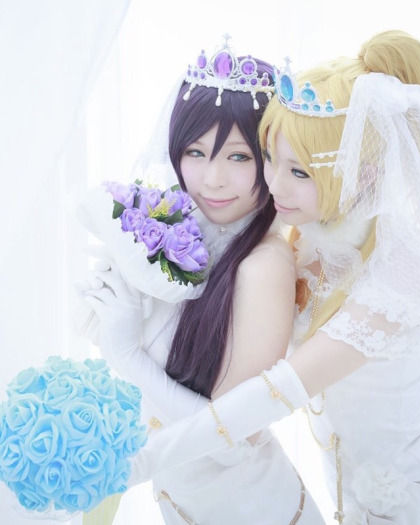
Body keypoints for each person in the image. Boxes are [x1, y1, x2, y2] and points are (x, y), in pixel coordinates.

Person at [122, 31, 420, 524]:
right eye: (270, 158)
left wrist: (139, 464)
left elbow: (277, 392)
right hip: (353, 499)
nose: (274, 184)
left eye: (299, 172)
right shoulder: (303, 236)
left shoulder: (404, 258)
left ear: (364, 173)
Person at [81, 37, 324, 524]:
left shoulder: (263, 265)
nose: (212, 179)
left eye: (238, 157)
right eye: (195, 151)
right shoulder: (183, 234)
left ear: (269, 160)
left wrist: (127, 353)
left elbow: (232, 439)